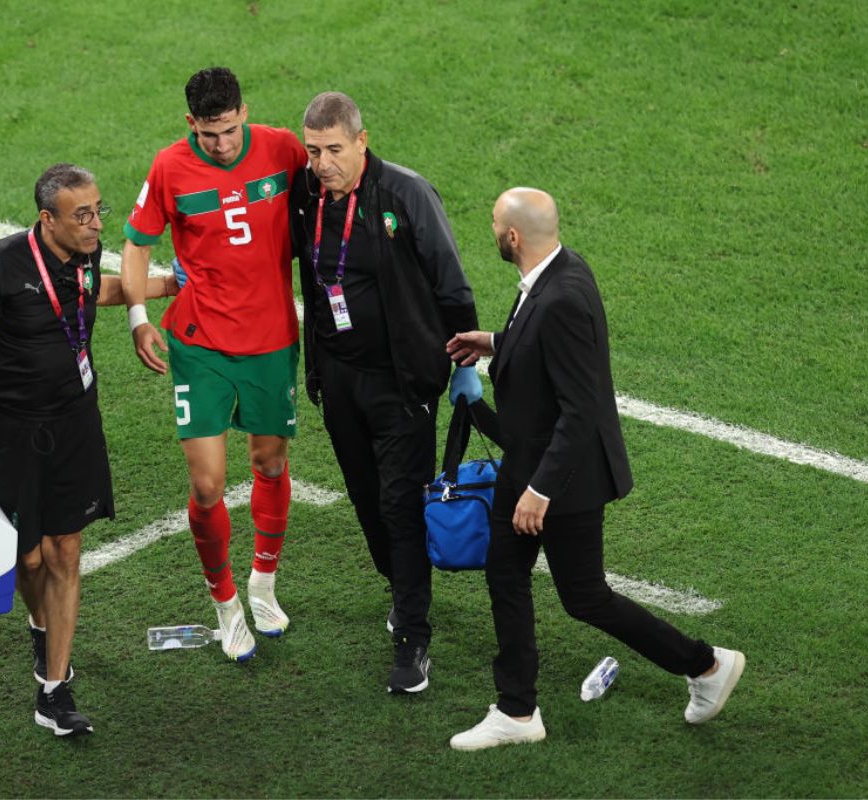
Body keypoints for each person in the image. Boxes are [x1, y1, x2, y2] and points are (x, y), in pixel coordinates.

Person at [444, 187, 745, 750]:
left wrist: (539, 490)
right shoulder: (559, 271)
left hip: (559, 480)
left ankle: (705, 665)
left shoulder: (560, 298)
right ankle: (516, 709)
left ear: (512, 237)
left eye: (493, 224)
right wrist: (492, 344)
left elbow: (582, 409)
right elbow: (541, 347)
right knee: (505, 573)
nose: (490, 230)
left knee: (584, 595)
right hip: (532, 466)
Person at [0, 163, 177, 737]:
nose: (96, 225)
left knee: (65, 551)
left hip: (74, 422)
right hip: (11, 430)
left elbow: (102, 292)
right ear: (48, 220)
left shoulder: (88, 255)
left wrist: (168, 283)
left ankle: (54, 688)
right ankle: (41, 628)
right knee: (29, 559)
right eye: (82, 216)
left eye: (99, 211)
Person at [287, 92, 482, 694]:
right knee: (369, 503)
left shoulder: (405, 195)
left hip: (402, 384)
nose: (323, 163)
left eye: (334, 150)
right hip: (340, 381)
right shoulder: (304, 195)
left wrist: (464, 361)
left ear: (362, 141)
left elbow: (450, 282)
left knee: (400, 507)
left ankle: (413, 640)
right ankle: (402, 589)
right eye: (314, 150)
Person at [120, 67, 308, 662]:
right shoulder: (170, 167)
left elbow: (332, 196)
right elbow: (135, 243)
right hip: (199, 343)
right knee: (207, 484)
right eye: (209, 135)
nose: (221, 145)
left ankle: (263, 582)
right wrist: (138, 317)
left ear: (243, 113)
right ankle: (226, 604)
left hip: (273, 339)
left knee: (270, 462)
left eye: (228, 131)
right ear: (190, 125)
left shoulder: (283, 150)